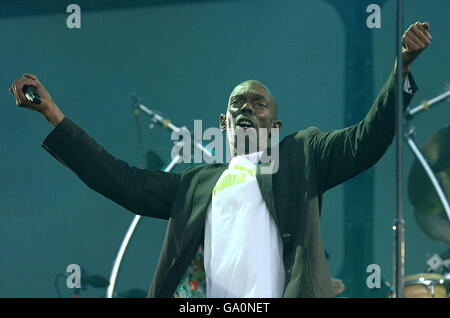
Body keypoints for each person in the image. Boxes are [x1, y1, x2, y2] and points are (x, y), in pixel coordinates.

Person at [9, 22, 431, 298]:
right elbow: (120, 181)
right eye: (237, 103)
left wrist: (401, 69)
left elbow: (367, 139)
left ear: (276, 123)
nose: (247, 106)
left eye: (258, 102)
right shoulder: (195, 185)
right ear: (223, 122)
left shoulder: (302, 156)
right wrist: (54, 116)